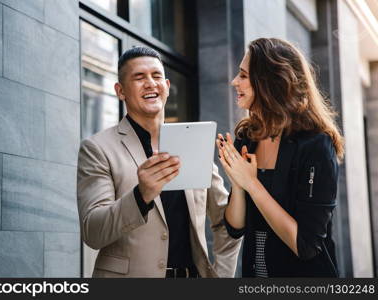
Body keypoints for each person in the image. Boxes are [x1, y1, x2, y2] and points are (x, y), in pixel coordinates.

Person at [77, 46, 240, 278]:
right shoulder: (97, 148)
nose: (150, 83)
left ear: (167, 87)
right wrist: (140, 196)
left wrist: (221, 276)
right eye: (139, 77)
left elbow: (227, 223)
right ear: (120, 91)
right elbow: (93, 231)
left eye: (156, 76)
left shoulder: (193, 143)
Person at [216, 38, 344, 277]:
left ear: (270, 83)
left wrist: (252, 184)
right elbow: (235, 228)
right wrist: (237, 180)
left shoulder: (316, 145)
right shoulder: (247, 137)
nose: (234, 81)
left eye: (243, 76)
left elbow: (306, 245)